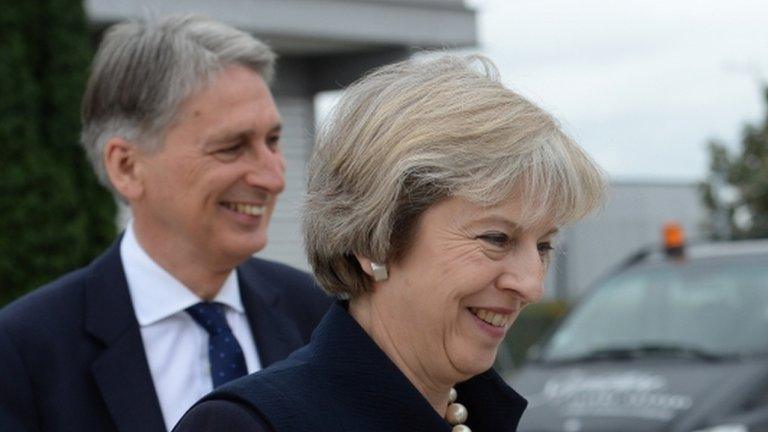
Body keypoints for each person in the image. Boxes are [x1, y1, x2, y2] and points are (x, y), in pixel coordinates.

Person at [173, 54, 605, 432]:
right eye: (496, 238)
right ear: (374, 240)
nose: (531, 285)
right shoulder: (248, 425)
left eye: (544, 246)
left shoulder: (479, 412)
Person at [0, 15, 331, 432]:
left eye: (272, 142)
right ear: (127, 167)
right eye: (232, 148)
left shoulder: (320, 318)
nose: (274, 178)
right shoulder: (25, 353)